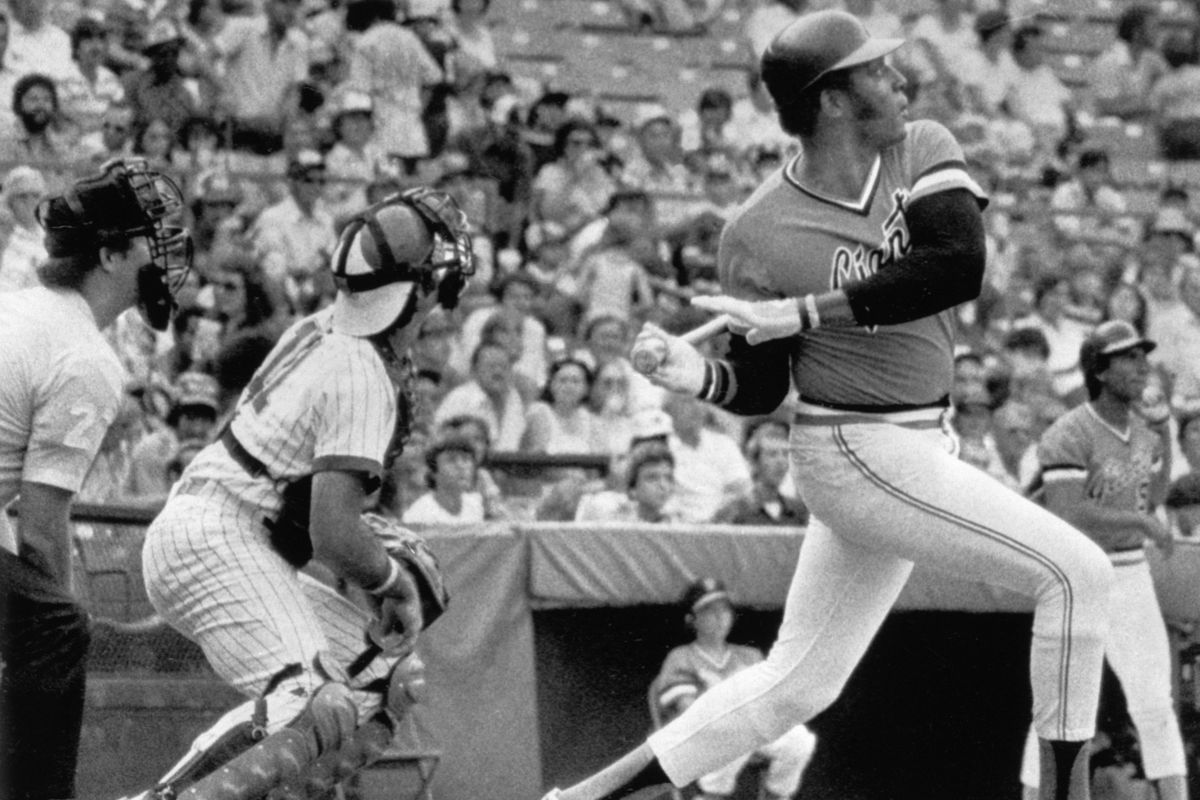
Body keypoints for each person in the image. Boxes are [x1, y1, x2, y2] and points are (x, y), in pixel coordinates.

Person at [541, 12, 1113, 800]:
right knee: (1078, 573)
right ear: (833, 100)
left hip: (913, 442)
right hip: (853, 449)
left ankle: (582, 798)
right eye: (877, 71)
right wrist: (695, 375)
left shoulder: (921, 146)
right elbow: (763, 385)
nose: (900, 81)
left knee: (795, 686)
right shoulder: (757, 227)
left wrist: (806, 312)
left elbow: (956, 266)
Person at [132, 187, 474, 800]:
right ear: (418, 288)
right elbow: (333, 533)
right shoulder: (363, 368)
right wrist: (392, 581)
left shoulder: (324, 326)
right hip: (219, 533)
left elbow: (304, 511)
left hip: (234, 528)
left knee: (384, 679)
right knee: (312, 699)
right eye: (436, 264)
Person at [0, 157, 192, 800]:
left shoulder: (28, 306)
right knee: (56, 622)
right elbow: (43, 528)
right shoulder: (85, 356)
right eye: (149, 239)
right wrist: (53, 615)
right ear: (110, 256)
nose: (164, 252)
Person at [1019, 320, 1187, 800]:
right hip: (1077, 576)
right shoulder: (1068, 431)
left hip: (1131, 573)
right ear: (1100, 369)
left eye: (1142, 356)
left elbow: (1152, 496)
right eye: (1128, 358)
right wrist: (1140, 524)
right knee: (1058, 705)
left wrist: (1166, 435)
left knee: (1155, 702)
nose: (1141, 366)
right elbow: (1068, 511)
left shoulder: (1141, 430)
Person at [653, 579, 816, 800]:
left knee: (800, 739)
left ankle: (775, 795)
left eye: (724, 610)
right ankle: (712, 794)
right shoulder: (681, 657)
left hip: (750, 730)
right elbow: (686, 708)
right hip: (703, 735)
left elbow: (771, 700)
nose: (720, 617)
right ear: (692, 619)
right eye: (709, 611)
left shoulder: (750, 655)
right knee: (736, 728)